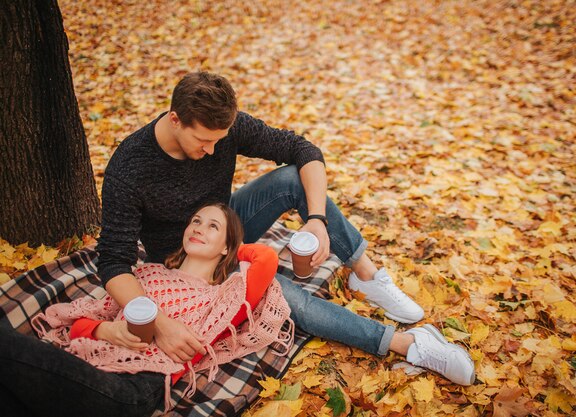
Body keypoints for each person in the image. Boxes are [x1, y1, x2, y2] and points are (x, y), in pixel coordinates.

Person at [96, 72, 475, 386]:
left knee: (294, 179)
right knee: (291, 301)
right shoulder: (130, 168)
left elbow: (303, 150)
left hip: (228, 224)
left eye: (220, 141)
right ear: (175, 119)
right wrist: (160, 323)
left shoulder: (227, 128)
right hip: (187, 259)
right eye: (204, 141)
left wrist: (316, 219)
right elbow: (114, 261)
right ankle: (411, 344)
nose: (213, 151)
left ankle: (366, 275)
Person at [0, 203, 294, 417]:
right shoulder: (145, 275)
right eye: (196, 221)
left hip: (129, 390)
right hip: (82, 365)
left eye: (212, 226)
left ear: (227, 247)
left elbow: (265, 259)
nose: (198, 228)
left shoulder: (223, 299)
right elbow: (79, 326)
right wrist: (107, 330)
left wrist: (235, 247)